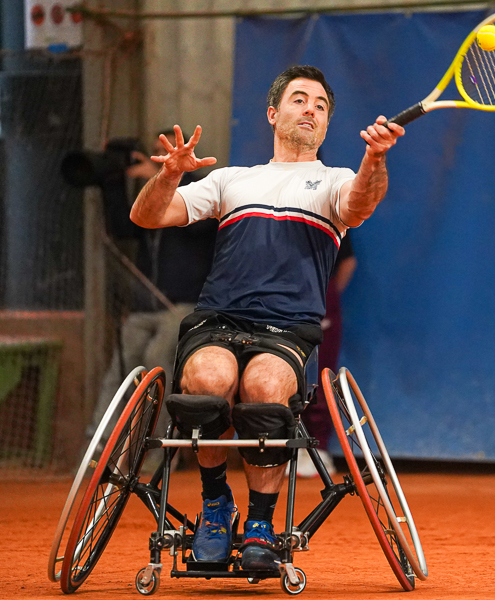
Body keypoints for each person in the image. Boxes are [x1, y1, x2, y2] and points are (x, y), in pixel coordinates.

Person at [130, 65, 404, 569]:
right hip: (218, 319)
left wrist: (375, 158)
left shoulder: (336, 182)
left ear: (325, 126)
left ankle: (260, 520)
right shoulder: (232, 180)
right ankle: (216, 506)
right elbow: (147, 216)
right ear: (274, 114)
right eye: (300, 100)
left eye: (321, 106)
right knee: (210, 379)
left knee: (262, 389)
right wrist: (170, 175)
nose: (311, 110)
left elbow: (362, 201)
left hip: (287, 328)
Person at [85, 131, 217, 443]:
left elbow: (206, 218)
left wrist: (171, 177)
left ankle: (153, 447)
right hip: (145, 306)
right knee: (120, 366)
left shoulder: (203, 192)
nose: (163, 158)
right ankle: (98, 445)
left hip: (184, 305)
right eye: (158, 153)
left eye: (168, 151)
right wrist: (113, 180)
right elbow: (123, 227)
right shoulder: (151, 203)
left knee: (157, 360)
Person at [294, 230, 356, 477]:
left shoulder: (333, 212)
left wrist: (328, 294)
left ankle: (319, 447)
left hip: (322, 295)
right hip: (282, 295)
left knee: (321, 373)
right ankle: (291, 445)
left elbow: (348, 260)